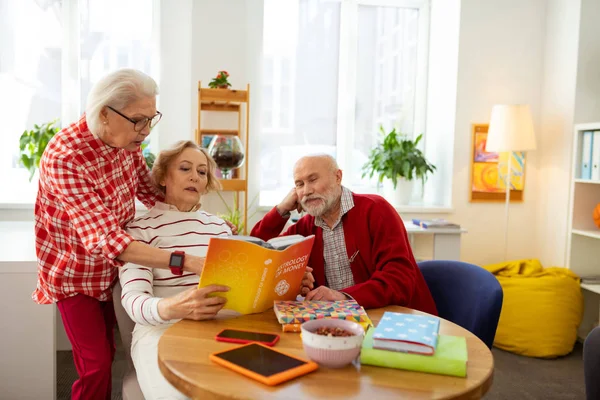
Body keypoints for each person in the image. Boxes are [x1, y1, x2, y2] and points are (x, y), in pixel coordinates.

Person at [32, 69, 233, 400]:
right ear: (104, 115)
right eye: (139, 120)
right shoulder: (64, 157)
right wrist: (186, 259)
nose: (146, 131)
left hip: (114, 269)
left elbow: (149, 190)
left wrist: (196, 222)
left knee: (112, 352)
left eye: (151, 119)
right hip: (76, 272)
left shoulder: (127, 138)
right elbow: (109, 240)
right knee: (96, 364)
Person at [251, 154, 437, 315]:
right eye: (299, 184)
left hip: (394, 319)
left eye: (313, 179)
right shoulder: (305, 227)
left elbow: (399, 281)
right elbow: (258, 250)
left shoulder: (376, 210)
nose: (306, 191)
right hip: (337, 325)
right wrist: (282, 210)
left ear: (338, 177)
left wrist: (343, 297)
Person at [119, 140, 234, 399]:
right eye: (185, 168)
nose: (195, 176)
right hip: (162, 329)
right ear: (162, 177)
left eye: (202, 172)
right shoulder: (140, 228)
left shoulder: (220, 228)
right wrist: (171, 307)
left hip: (220, 324)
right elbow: (133, 298)